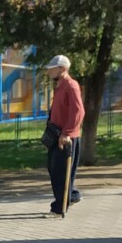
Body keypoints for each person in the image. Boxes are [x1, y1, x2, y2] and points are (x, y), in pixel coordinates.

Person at [43, 55, 83, 217]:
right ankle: (71, 196)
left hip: (66, 137)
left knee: (61, 172)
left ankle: (60, 207)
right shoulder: (59, 86)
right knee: (54, 169)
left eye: (53, 68)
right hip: (56, 134)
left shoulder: (71, 86)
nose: (49, 71)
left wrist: (67, 133)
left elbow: (78, 112)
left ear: (62, 69)